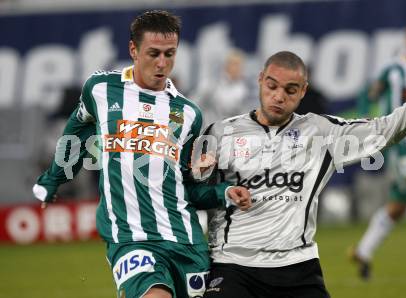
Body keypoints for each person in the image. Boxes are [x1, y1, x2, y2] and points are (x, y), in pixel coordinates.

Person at [32, 10, 251, 298]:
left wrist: (223, 191)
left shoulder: (188, 114)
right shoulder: (100, 89)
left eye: (170, 54)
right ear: (133, 50)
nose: (162, 63)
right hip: (129, 237)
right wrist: (52, 179)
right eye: (154, 53)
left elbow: (189, 189)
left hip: (184, 239)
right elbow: (76, 132)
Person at [197, 50, 406, 298]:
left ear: (303, 91)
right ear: (260, 79)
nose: (279, 97)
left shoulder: (321, 133)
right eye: (272, 86)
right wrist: (220, 189)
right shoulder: (220, 133)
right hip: (233, 265)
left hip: (297, 266)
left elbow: (384, 130)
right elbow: (189, 191)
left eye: (291, 90)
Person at [351, 22, 406, 280]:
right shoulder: (391, 69)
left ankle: (363, 252)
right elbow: (369, 93)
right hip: (400, 146)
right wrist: (365, 118)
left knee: (397, 207)